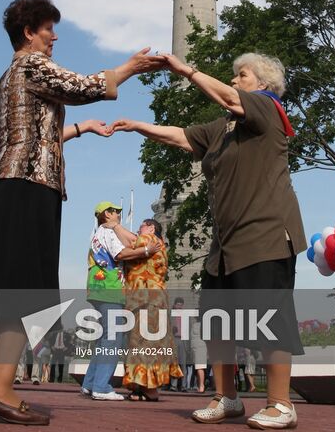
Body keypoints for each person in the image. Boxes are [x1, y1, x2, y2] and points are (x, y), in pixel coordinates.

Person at [0, 0, 164, 426]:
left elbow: (38, 135)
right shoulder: (32, 65)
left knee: (10, 283)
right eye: (48, 29)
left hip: (8, 183)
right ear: (29, 32)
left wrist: (79, 130)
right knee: (24, 292)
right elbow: (83, 87)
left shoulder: (7, 78)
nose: (54, 36)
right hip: (30, 186)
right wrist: (130, 68)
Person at [110, 51, 306, 430]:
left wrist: (184, 69)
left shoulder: (267, 109)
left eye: (242, 75)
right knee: (217, 324)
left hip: (264, 234)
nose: (234, 81)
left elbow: (230, 98)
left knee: (270, 318)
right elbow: (183, 137)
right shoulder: (224, 128)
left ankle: (281, 404)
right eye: (233, 76)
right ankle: (226, 397)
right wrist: (137, 126)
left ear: (263, 85)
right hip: (225, 244)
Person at [82, 202, 161, 400]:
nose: (118, 214)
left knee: (103, 339)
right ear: (106, 214)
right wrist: (146, 251)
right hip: (111, 288)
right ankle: (101, 387)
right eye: (115, 211)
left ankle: (90, 383)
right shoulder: (107, 232)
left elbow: (131, 242)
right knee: (112, 339)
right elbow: (122, 253)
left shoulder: (102, 232)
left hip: (99, 288)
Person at [121, 218, 183, 401]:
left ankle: (148, 387)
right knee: (148, 342)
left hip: (146, 299)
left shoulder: (150, 240)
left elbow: (125, 249)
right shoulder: (158, 243)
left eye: (142, 226)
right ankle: (142, 385)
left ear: (151, 227)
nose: (139, 229)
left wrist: (114, 226)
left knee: (143, 341)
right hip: (152, 299)